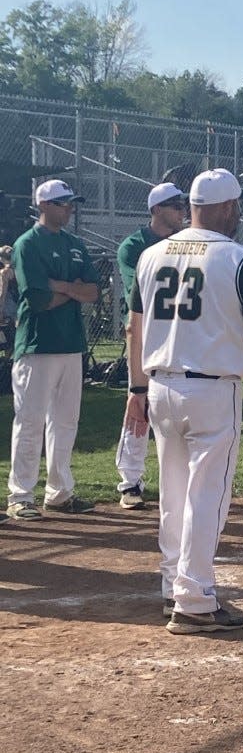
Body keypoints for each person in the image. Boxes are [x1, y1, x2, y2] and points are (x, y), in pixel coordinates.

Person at [125, 168, 243, 634]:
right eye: (238, 206)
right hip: (213, 388)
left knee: (174, 493)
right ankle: (195, 600)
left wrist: (136, 388)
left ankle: (172, 587)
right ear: (224, 207)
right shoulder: (240, 259)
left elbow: (134, 329)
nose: (240, 214)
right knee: (208, 497)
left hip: (160, 384)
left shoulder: (150, 254)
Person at [6, 179, 100, 520]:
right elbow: (38, 299)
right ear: (43, 205)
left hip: (71, 343)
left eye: (70, 202)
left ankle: (59, 493)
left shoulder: (75, 243)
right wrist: (72, 289)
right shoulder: (27, 244)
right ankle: (20, 496)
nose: (69, 208)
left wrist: (61, 287)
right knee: (30, 421)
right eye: (62, 203)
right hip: (37, 344)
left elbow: (93, 291)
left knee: (66, 421)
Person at [114, 182, 188, 509]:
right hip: (148, 332)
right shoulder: (134, 246)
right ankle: (130, 482)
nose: (181, 210)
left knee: (179, 408)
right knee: (139, 406)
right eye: (174, 205)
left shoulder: (186, 243)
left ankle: (179, 480)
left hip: (182, 334)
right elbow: (142, 293)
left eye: (183, 204)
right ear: (156, 209)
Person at [0, 245, 17, 354]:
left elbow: (2, 293)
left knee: (6, 337)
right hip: (21, 306)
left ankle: (5, 364)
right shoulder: (21, 271)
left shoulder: (4, 273)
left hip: (8, 308)